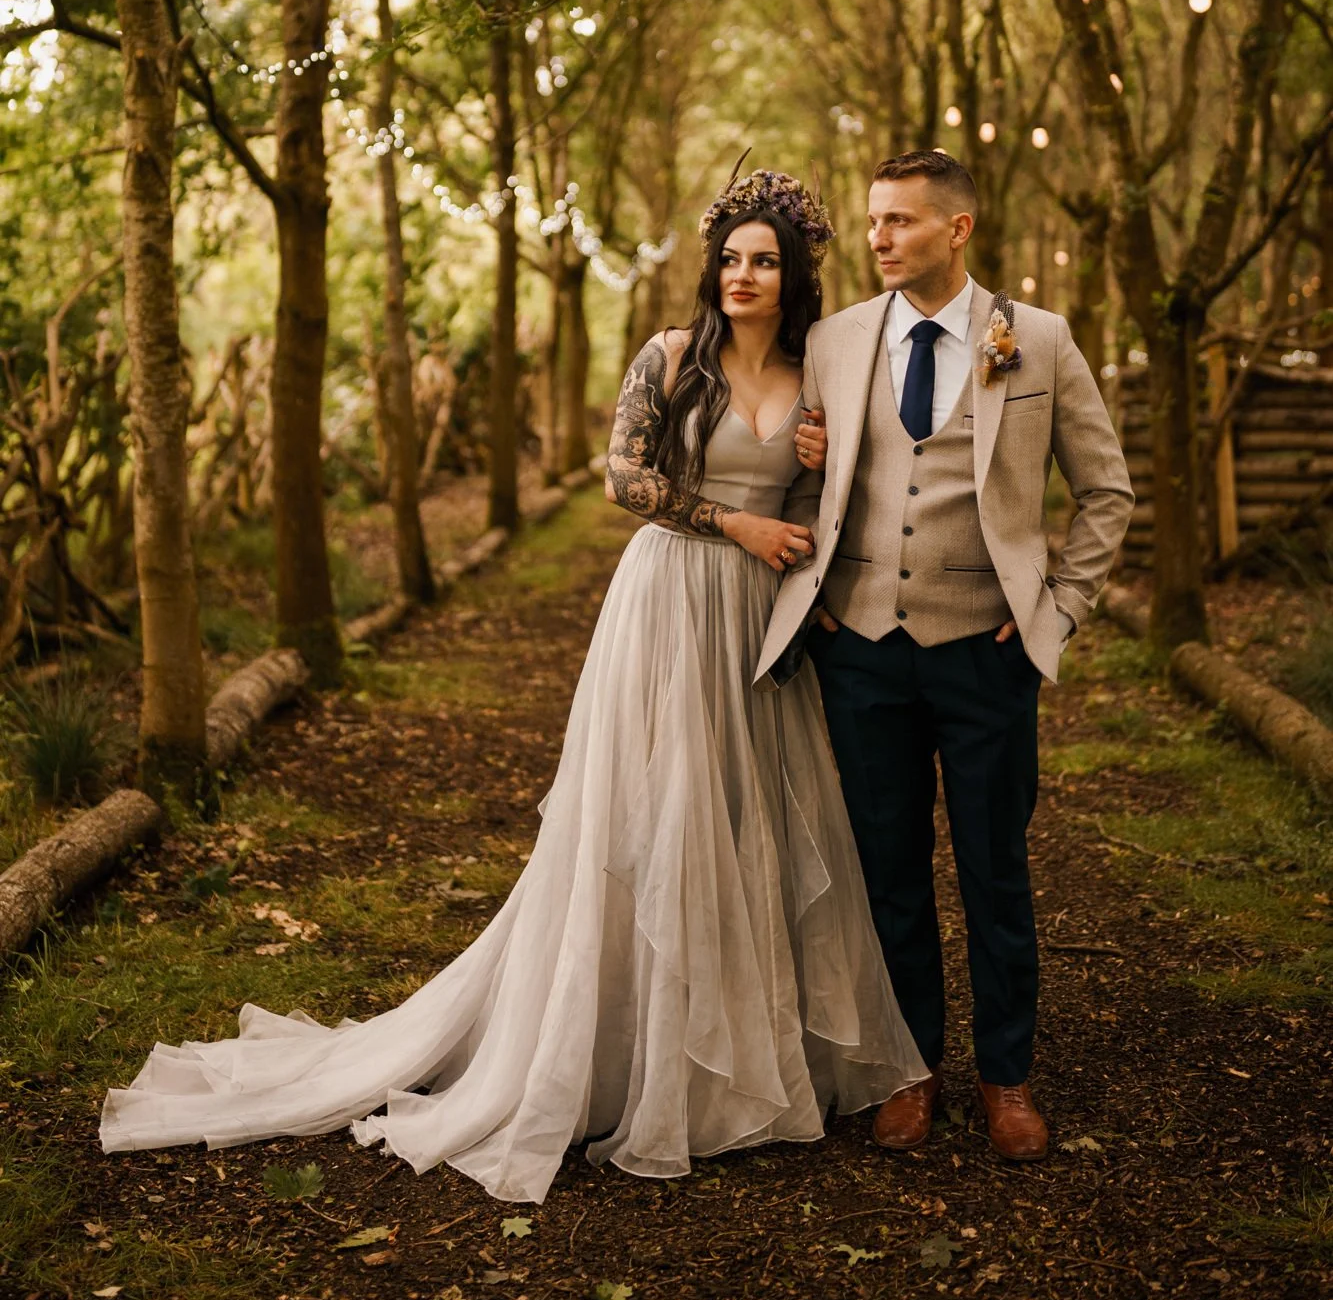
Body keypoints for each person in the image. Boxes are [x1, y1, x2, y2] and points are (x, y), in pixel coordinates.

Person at [100, 168, 925, 1203]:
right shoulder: (672, 357)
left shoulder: (818, 375)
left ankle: (745, 1057)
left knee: (747, 820)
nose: (743, 275)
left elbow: (829, 503)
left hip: (761, 622)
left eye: (764, 259)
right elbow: (623, 477)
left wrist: (812, 463)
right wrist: (734, 521)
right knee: (656, 818)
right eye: (729, 257)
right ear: (710, 266)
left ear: (793, 271)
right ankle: (635, 1055)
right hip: (670, 607)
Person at [757, 151, 1133, 1162]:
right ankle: (908, 1067)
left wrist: (1058, 607)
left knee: (994, 869)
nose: (877, 237)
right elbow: (793, 470)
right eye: (873, 219)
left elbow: (1106, 489)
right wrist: (817, 586)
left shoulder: (1037, 338)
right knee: (887, 871)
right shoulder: (834, 341)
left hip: (986, 653)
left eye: (899, 221)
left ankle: (1003, 1076)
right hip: (862, 651)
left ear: (955, 229)